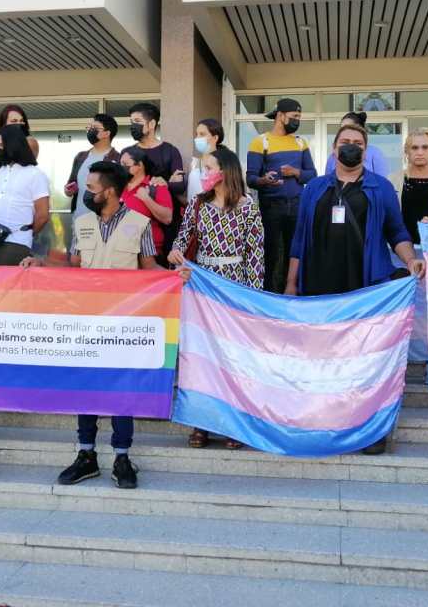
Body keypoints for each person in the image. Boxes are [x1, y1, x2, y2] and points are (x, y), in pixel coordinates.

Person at [22, 162, 163, 490]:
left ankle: (122, 457)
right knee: (85, 388)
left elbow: (149, 268)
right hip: (86, 322)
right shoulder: (82, 223)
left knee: (120, 391)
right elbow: (73, 266)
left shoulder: (139, 223)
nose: (86, 193)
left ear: (109, 192)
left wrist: (174, 278)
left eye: (91, 189)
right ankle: (86, 454)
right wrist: (41, 263)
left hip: (123, 324)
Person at [170, 147, 264, 450]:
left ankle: (233, 424)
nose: (204, 173)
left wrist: (253, 298)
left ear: (225, 171)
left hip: (234, 286)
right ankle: (201, 422)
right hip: (200, 286)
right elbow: (181, 241)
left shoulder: (249, 207)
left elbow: (256, 255)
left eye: (208, 167)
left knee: (232, 357)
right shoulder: (198, 205)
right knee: (200, 355)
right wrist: (176, 254)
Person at [287, 124, 424, 297]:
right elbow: (299, 238)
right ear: (334, 150)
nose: (351, 146)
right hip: (317, 282)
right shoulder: (314, 187)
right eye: (345, 142)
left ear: (365, 151)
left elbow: (397, 232)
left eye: (358, 143)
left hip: (364, 285)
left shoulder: (382, 187)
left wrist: (410, 260)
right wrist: (291, 283)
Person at [246, 97, 316, 292]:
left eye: (299, 117)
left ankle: (292, 290)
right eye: (294, 116)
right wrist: (264, 180)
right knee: (271, 253)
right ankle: (269, 292)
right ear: (280, 115)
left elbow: (312, 174)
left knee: (294, 253)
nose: (297, 120)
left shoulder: (301, 142)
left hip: (297, 205)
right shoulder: (260, 142)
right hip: (271, 207)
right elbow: (250, 178)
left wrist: (295, 172)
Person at [0, 124, 51, 266]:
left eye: (2, 145)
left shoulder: (35, 174)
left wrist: (26, 233)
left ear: (14, 145)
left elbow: (43, 215)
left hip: (16, 242)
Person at [128, 103, 185, 255]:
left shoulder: (170, 151)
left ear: (152, 124)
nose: (133, 125)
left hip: (166, 223)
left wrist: (165, 183)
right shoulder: (127, 153)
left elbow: (180, 186)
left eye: (137, 121)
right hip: (132, 223)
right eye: (131, 121)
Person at [120, 146, 173, 257]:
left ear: (140, 165)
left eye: (126, 164)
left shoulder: (156, 187)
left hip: (148, 252)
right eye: (120, 164)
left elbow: (167, 218)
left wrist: (146, 198)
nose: (122, 168)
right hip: (121, 250)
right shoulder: (118, 187)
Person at [65, 114, 120, 219]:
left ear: (107, 133)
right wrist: (68, 190)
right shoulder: (81, 157)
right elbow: (70, 186)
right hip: (78, 219)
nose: (90, 130)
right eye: (89, 127)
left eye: (94, 128)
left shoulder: (117, 159)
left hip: (103, 222)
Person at [0, 105, 41, 185]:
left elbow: (21, 163)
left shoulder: (30, 142)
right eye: (14, 121)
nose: (19, 124)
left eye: (21, 121)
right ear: (3, 125)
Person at [324, 112, 389, 176]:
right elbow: (327, 180)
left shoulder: (375, 153)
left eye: (348, 127)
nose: (344, 130)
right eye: (342, 128)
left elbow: (382, 179)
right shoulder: (333, 156)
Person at [185, 118, 225, 203]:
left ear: (215, 138)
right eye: (197, 134)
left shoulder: (225, 163)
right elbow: (191, 197)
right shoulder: (194, 163)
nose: (197, 138)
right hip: (195, 213)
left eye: (202, 134)